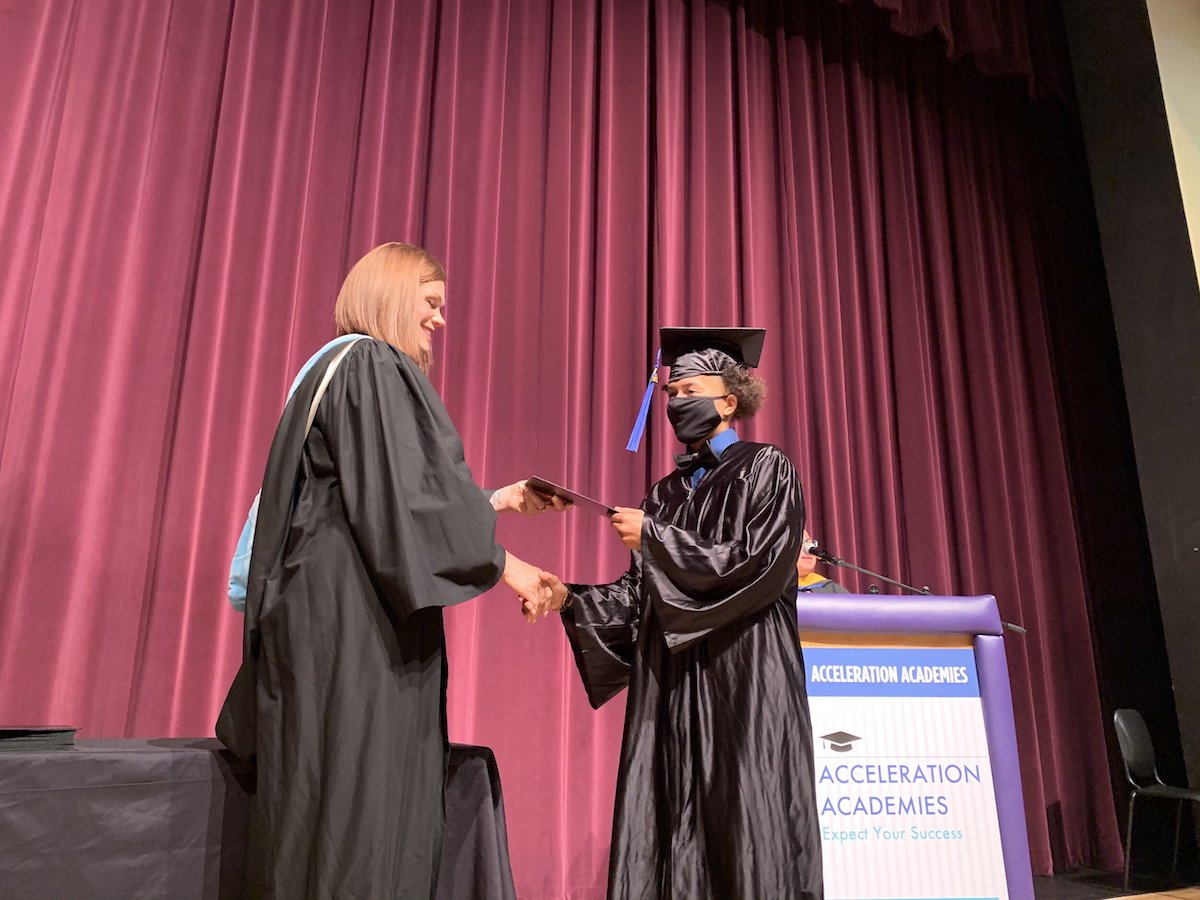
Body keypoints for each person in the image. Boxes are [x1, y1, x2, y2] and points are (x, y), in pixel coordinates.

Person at [216, 242, 561, 899]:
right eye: (431, 303)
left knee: (316, 814)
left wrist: (490, 503)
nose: (440, 321)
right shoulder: (372, 364)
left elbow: (363, 506)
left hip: (323, 627)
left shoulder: (330, 371)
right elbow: (409, 506)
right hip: (356, 638)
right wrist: (508, 566)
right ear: (393, 294)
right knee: (355, 822)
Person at [533, 327, 824, 900]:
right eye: (670, 393)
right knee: (668, 821)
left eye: (690, 389)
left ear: (729, 400)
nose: (676, 402)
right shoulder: (664, 495)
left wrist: (657, 541)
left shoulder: (767, 467)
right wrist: (567, 598)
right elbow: (640, 598)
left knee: (747, 821)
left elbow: (760, 565)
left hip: (745, 680)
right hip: (672, 685)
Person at [797, 528, 849, 594]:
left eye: (810, 543)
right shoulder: (780, 589)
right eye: (800, 543)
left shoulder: (835, 591)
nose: (807, 550)